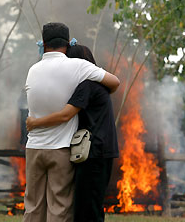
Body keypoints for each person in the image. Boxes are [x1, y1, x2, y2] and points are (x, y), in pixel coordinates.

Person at [23, 22, 120, 222]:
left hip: (33, 148)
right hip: (60, 149)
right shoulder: (79, 67)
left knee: (32, 207)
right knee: (58, 208)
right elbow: (115, 82)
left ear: (43, 43)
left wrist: (33, 123)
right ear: (68, 43)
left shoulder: (33, 70)